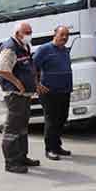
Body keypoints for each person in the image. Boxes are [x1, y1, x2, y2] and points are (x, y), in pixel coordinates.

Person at [0, 22, 41, 173]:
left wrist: (34, 84)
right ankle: (11, 162)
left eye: (30, 31)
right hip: (15, 95)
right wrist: (18, 83)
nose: (30, 34)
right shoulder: (10, 47)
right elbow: (2, 70)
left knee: (22, 128)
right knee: (12, 129)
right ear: (17, 33)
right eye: (27, 32)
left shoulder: (24, 46)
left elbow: (29, 67)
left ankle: (22, 157)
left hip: (24, 95)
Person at [33, 25, 73, 160]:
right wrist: (36, 84)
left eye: (67, 35)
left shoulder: (65, 50)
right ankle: (49, 149)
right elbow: (32, 67)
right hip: (49, 92)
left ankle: (57, 146)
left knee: (62, 118)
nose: (65, 37)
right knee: (51, 120)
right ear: (55, 34)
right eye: (62, 34)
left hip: (65, 91)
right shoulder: (44, 49)